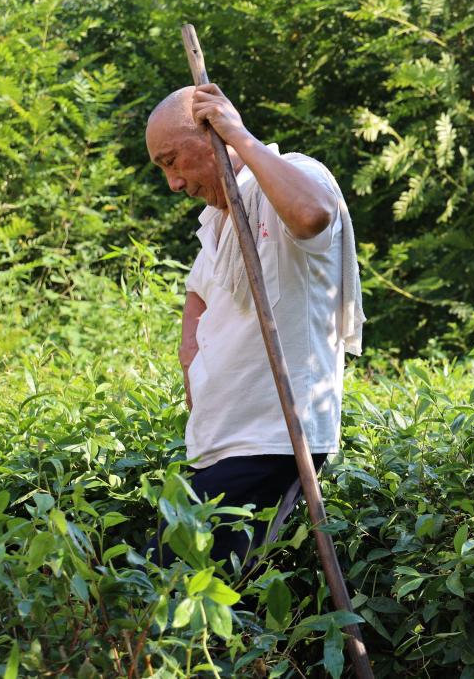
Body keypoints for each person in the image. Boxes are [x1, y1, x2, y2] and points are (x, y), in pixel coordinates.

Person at [144, 82, 364, 570]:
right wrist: (191, 360)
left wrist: (239, 135)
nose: (173, 183)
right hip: (220, 442)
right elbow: (198, 292)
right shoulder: (221, 219)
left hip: (271, 437)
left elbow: (311, 216)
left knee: (181, 592)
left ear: (211, 134)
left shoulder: (294, 177)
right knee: (184, 591)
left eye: (172, 160)